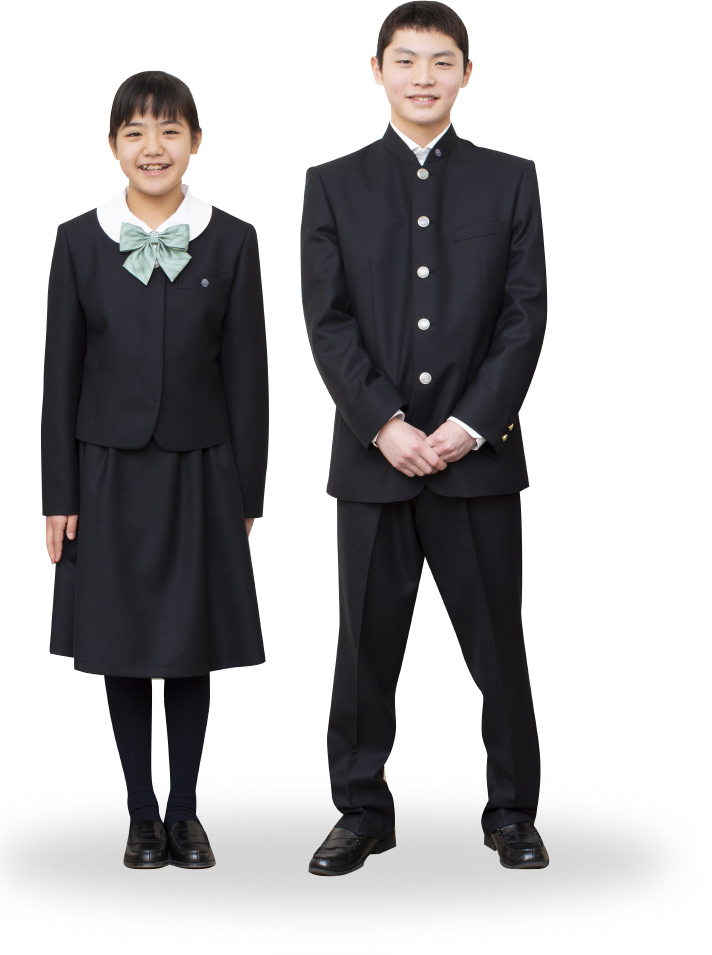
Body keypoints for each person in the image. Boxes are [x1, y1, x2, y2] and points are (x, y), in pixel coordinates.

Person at [301, 1, 549, 875]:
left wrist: (468, 426)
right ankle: (361, 811)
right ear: (376, 71)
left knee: (498, 648)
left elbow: (524, 316)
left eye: (442, 61)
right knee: (363, 651)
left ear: (467, 74)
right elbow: (327, 321)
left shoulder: (509, 179)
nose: (423, 76)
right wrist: (383, 424)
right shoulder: (332, 184)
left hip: (478, 464)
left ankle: (512, 811)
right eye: (405, 60)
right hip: (374, 467)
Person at [42, 71, 268, 869]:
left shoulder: (232, 239)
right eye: (135, 131)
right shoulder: (79, 240)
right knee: (124, 641)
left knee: (189, 642)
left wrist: (247, 491)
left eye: (170, 130)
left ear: (195, 142)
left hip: (202, 470)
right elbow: (60, 376)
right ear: (113, 146)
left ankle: (185, 810)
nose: (153, 146)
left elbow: (249, 374)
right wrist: (58, 493)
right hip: (106, 472)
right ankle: (141, 812)